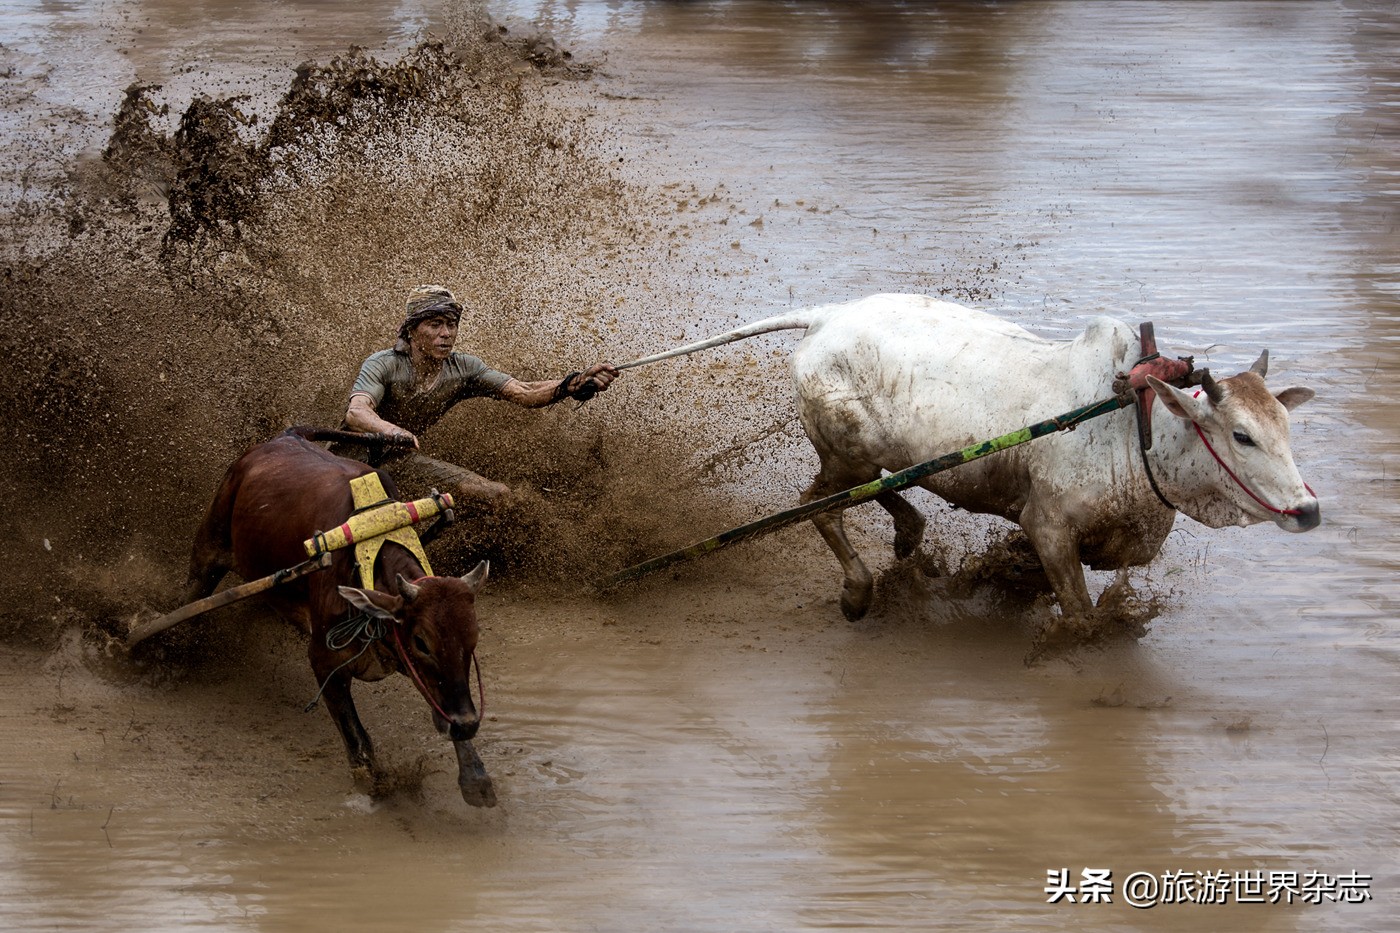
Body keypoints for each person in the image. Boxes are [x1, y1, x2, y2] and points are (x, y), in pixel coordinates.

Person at [341, 284, 619, 505]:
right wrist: (394, 432)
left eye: (451, 324)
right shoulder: (384, 363)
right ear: (412, 329)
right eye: (435, 324)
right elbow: (357, 412)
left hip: (401, 464)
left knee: (497, 494)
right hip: (345, 465)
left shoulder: (464, 368)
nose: (446, 333)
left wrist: (571, 384)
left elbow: (523, 391)